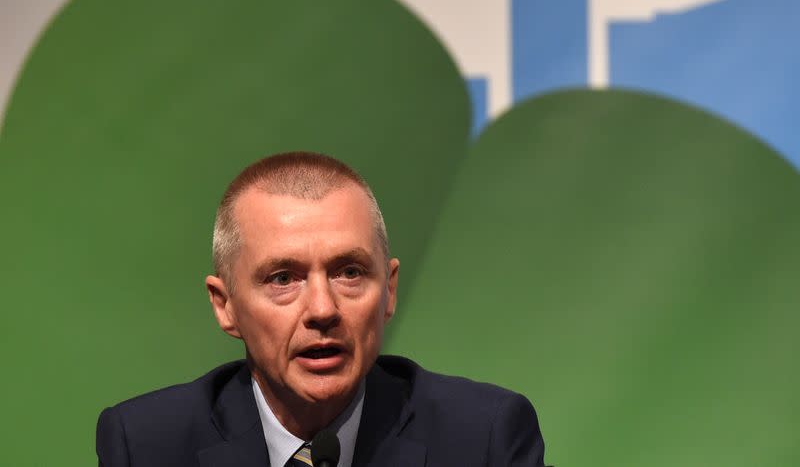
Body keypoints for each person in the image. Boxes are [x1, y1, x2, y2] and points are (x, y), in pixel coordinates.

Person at [96, 151, 548, 466]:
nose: (322, 308)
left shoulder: (483, 439)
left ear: (388, 291)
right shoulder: (147, 445)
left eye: (349, 272)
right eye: (283, 279)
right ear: (225, 305)